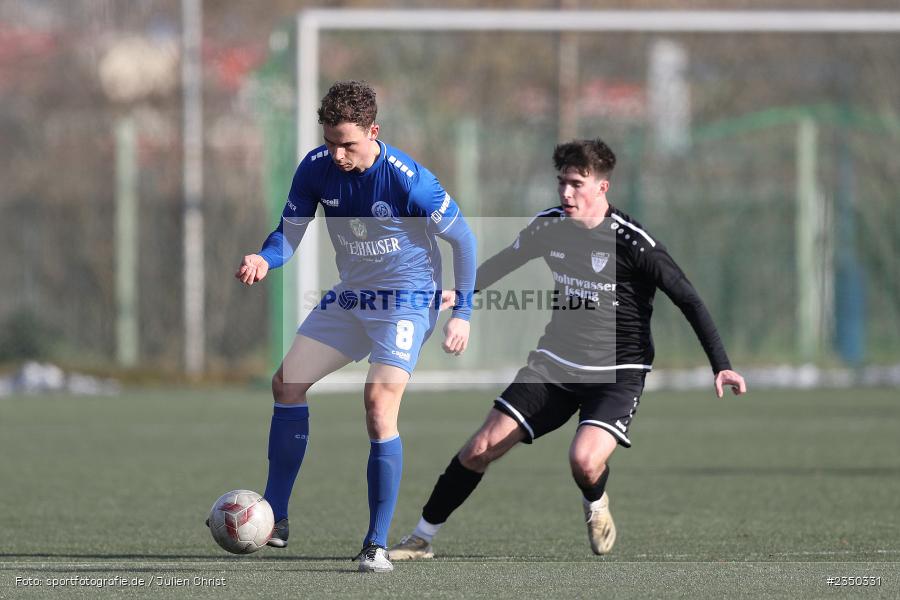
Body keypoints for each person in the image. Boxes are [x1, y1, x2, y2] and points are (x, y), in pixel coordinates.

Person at [388, 138, 746, 560]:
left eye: (577, 183)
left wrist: (720, 365)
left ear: (602, 187)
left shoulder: (635, 243)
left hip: (617, 374)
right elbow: (507, 260)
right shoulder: (550, 225)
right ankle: (421, 537)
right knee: (479, 448)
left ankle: (596, 503)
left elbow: (689, 300)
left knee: (584, 461)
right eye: (562, 182)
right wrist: (462, 294)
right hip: (554, 364)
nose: (566, 192)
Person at [233, 80, 476, 572]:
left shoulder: (409, 181)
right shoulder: (315, 168)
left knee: (378, 405)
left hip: (406, 302)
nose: (337, 154)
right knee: (287, 384)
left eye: (347, 143)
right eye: (330, 142)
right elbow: (288, 234)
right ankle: (275, 516)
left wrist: (463, 313)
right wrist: (264, 257)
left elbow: (464, 239)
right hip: (353, 296)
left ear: (373, 131)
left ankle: (376, 544)